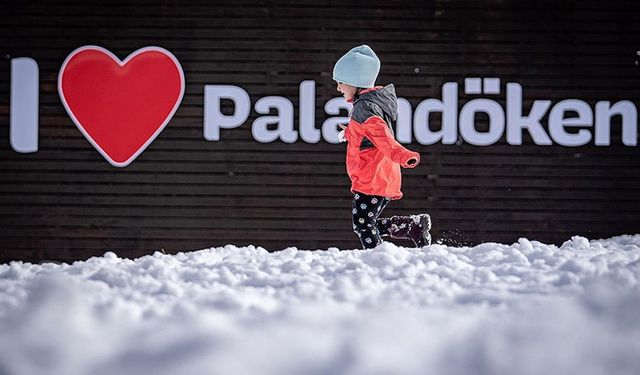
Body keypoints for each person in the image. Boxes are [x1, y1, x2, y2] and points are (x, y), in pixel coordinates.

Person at [333, 44, 431, 249]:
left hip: (374, 176)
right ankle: (410, 226)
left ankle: (376, 256)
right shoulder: (366, 104)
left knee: (363, 224)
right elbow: (366, 134)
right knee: (364, 223)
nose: (338, 88)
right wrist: (349, 132)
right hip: (377, 175)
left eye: (341, 82)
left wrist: (403, 155)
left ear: (355, 82)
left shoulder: (365, 108)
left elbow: (382, 137)